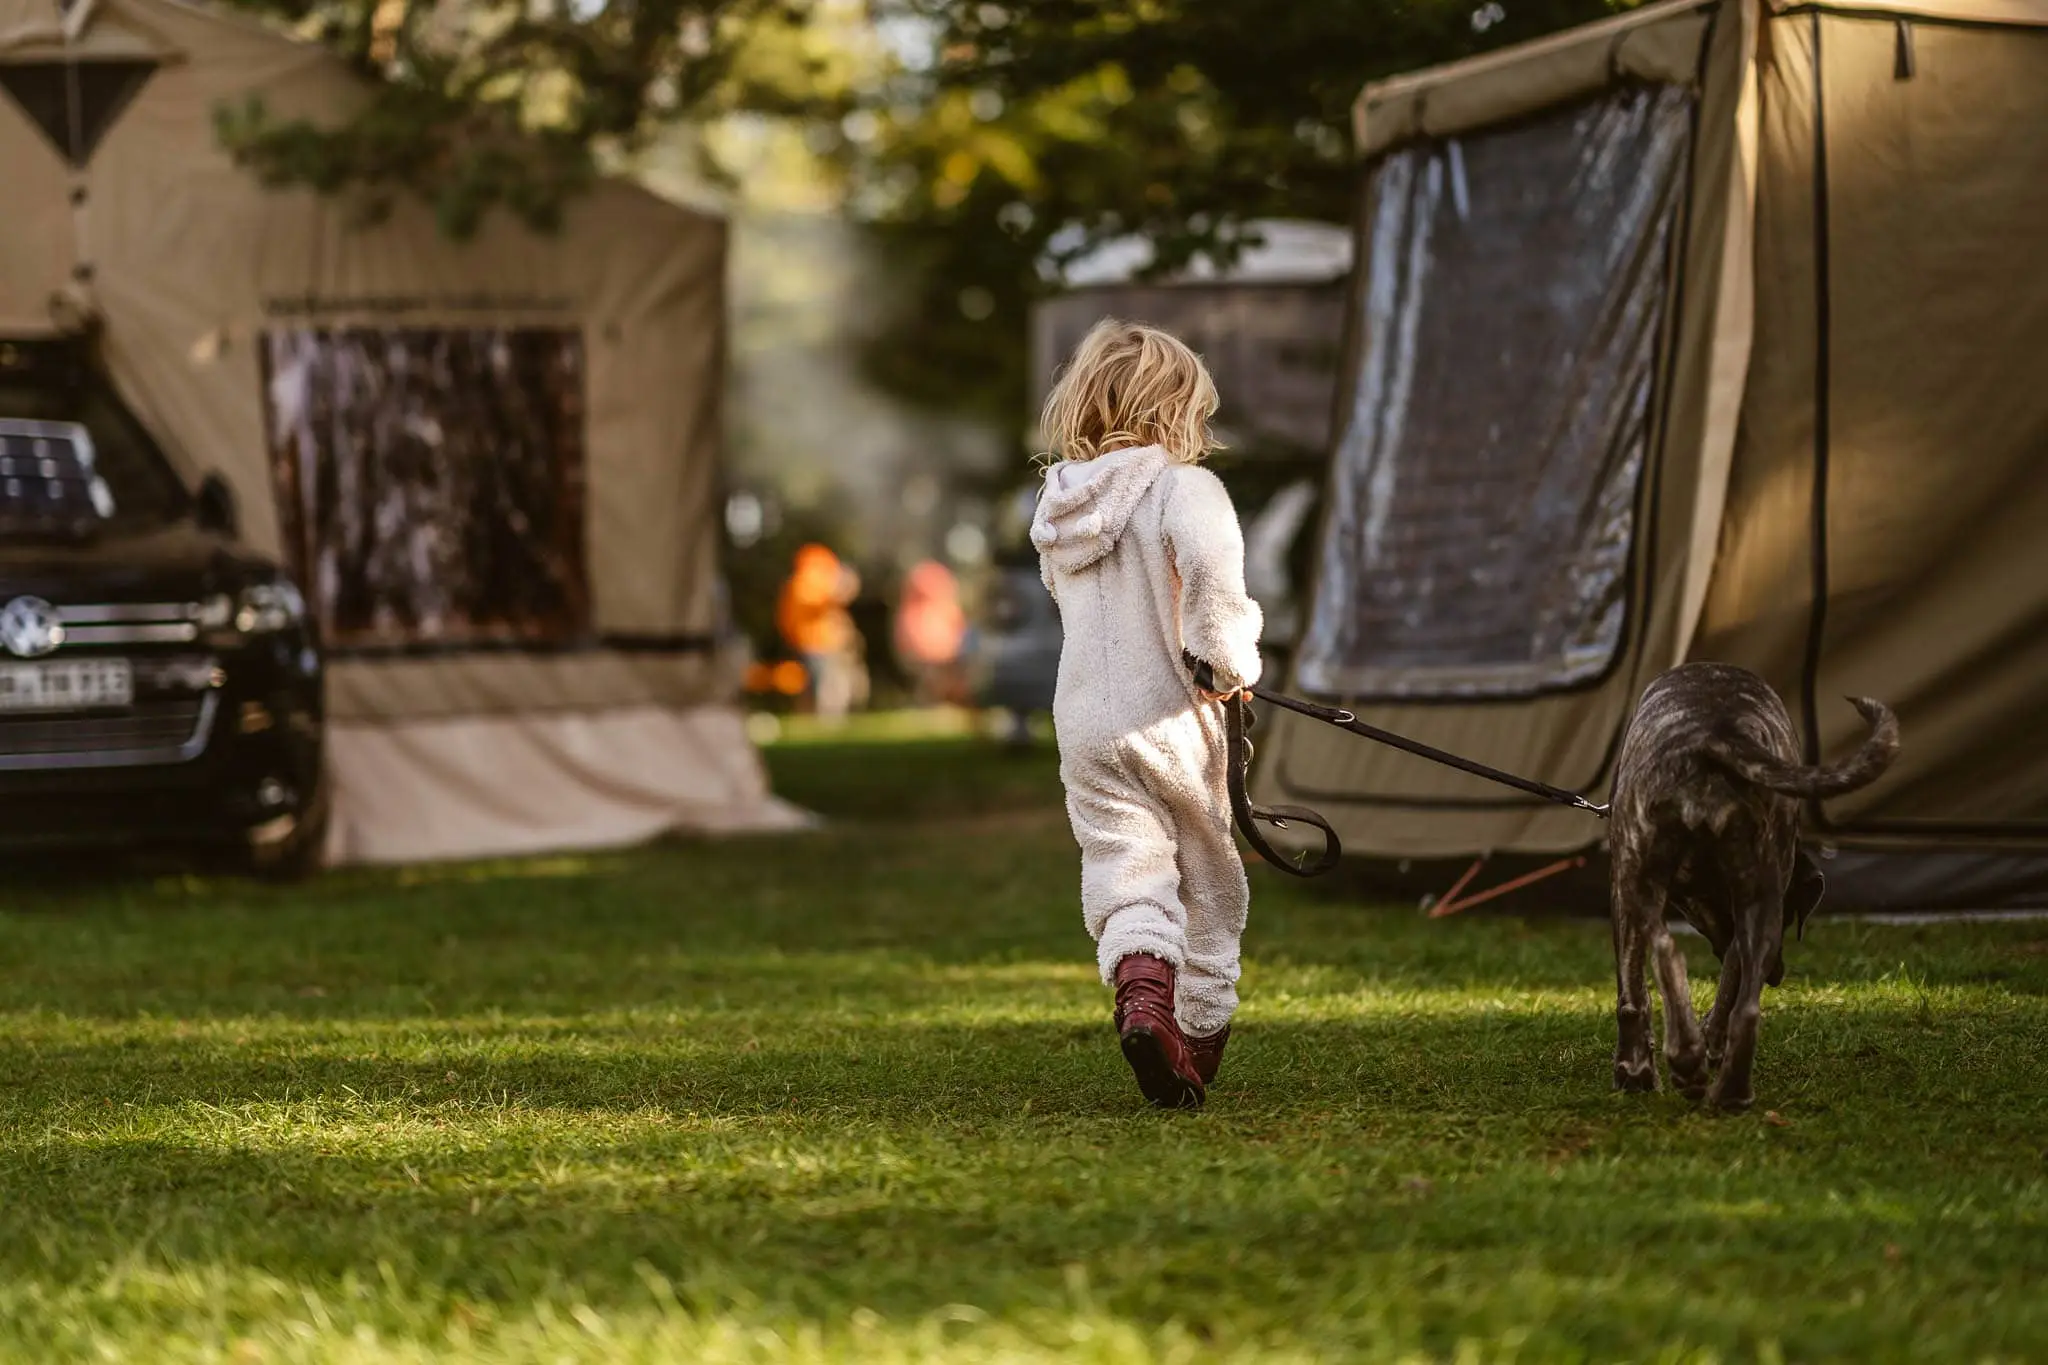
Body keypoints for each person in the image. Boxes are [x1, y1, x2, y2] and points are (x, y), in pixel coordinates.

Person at [1030, 319, 1263, 1110]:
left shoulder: (1060, 503)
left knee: (1125, 868)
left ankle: (1141, 999)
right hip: (1169, 716)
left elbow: (1071, 599)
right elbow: (1211, 576)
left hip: (1086, 725)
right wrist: (1226, 662)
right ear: (1181, 404)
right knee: (1210, 880)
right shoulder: (1183, 488)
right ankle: (1192, 1039)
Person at [777, 543, 862, 720]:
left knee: (821, 681)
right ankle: (820, 716)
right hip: (813, 642)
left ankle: (820, 716)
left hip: (821, 641)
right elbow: (821, 601)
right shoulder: (806, 583)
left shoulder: (805, 582)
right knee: (818, 682)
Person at [893, 559, 967, 706]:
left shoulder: (945, 607)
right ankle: (930, 702)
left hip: (947, 654)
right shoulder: (912, 610)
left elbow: (959, 626)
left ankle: (945, 701)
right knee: (931, 678)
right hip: (924, 657)